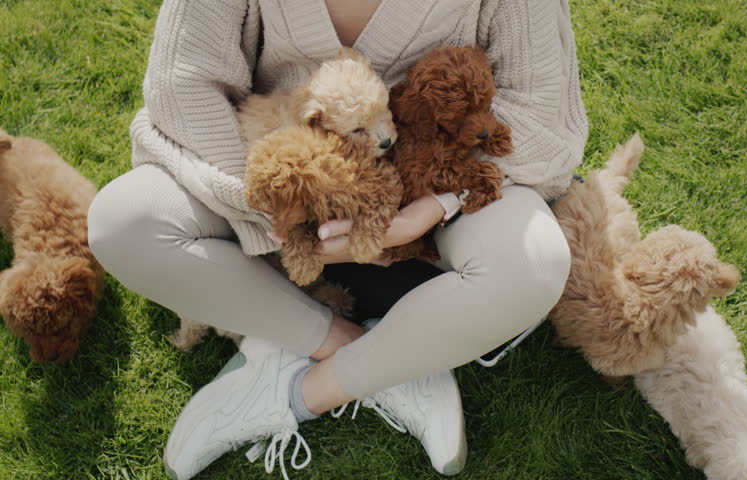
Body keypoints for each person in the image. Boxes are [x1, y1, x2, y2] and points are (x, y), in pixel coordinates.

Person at [87, 0, 588, 478]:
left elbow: (538, 113)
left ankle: (300, 390)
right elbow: (183, 89)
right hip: (272, 176)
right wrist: (286, 207)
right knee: (123, 224)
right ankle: (369, 348)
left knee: (533, 264)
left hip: (432, 179)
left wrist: (432, 207)